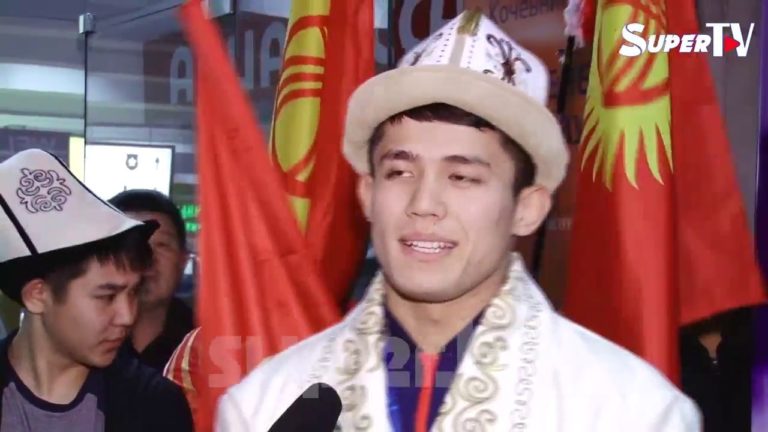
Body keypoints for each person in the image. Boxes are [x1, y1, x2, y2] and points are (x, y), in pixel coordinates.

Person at [216, 11, 702, 431]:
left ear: (527, 208)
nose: (424, 203)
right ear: (367, 194)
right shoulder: (264, 404)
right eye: (400, 172)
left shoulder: (630, 411)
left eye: (463, 177)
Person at [0, 149, 194, 431]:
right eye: (107, 296)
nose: (127, 316)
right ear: (37, 295)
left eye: (132, 292)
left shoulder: (154, 405)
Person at [109, 189, 195, 371]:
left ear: (183, 261)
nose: (147, 256)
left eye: (162, 245)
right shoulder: (74, 339)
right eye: (131, 244)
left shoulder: (208, 341)